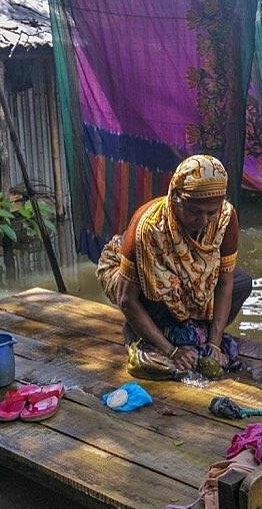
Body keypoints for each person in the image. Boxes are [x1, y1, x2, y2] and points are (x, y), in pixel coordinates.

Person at [97, 155, 252, 377]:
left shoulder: (226, 219)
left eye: (211, 212)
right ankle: (143, 331)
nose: (204, 221)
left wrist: (214, 345)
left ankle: (191, 327)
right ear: (175, 198)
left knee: (241, 283)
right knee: (159, 292)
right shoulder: (149, 227)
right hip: (130, 274)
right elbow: (126, 298)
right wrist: (171, 352)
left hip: (189, 282)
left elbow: (225, 282)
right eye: (194, 212)